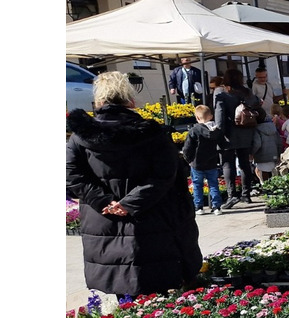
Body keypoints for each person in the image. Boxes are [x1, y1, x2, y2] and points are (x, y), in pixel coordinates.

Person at [66, 71, 202, 295]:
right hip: (152, 218)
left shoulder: (80, 137)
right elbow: (165, 174)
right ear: (130, 100)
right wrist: (129, 203)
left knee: (122, 291)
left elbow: (72, 175)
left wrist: (104, 202)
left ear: (99, 100)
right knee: (157, 293)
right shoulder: (152, 133)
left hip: (103, 220)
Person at [212, 68, 261, 208]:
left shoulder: (221, 92)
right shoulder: (247, 92)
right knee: (245, 164)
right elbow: (256, 104)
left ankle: (232, 195)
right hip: (246, 131)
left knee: (227, 164)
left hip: (228, 133)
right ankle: (246, 195)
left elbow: (219, 114)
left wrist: (218, 133)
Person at [181, 104, 229, 215]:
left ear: (197, 118)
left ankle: (199, 207)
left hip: (196, 163)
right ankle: (217, 207)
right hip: (212, 162)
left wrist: (188, 159)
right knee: (213, 184)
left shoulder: (194, 130)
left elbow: (187, 147)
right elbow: (223, 144)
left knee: (197, 185)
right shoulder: (216, 130)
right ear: (211, 116)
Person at [251, 107, 284, 184]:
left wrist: (251, 152)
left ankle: (267, 191)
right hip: (274, 155)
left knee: (263, 176)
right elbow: (279, 142)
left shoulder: (256, 129)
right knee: (272, 175)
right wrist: (279, 154)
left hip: (262, 156)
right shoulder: (273, 127)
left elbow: (257, 144)